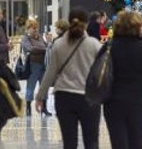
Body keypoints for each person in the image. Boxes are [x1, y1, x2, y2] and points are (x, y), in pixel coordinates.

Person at [35, 9, 101, 149]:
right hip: (88, 98)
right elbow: (102, 72)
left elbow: (50, 73)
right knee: (91, 142)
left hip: (64, 98)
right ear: (87, 24)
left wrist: (40, 96)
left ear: (69, 22)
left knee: (69, 143)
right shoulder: (94, 44)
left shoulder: (58, 45)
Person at [103, 11, 142, 149]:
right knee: (136, 144)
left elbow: (97, 71)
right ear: (137, 27)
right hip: (138, 103)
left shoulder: (109, 47)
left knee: (118, 144)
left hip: (113, 103)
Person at [21, 18, 49, 116]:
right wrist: (42, 49)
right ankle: (28, 108)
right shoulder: (25, 38)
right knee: (30, 87)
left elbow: (47, 47)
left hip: (43, 65)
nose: (36, 30)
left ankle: (44, 108)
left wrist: (43, 47)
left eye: (36, 28)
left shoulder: (40, 37)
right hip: (33, 65)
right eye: (33, 28)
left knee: (44, 86)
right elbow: (31, 49)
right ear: (28, 29)